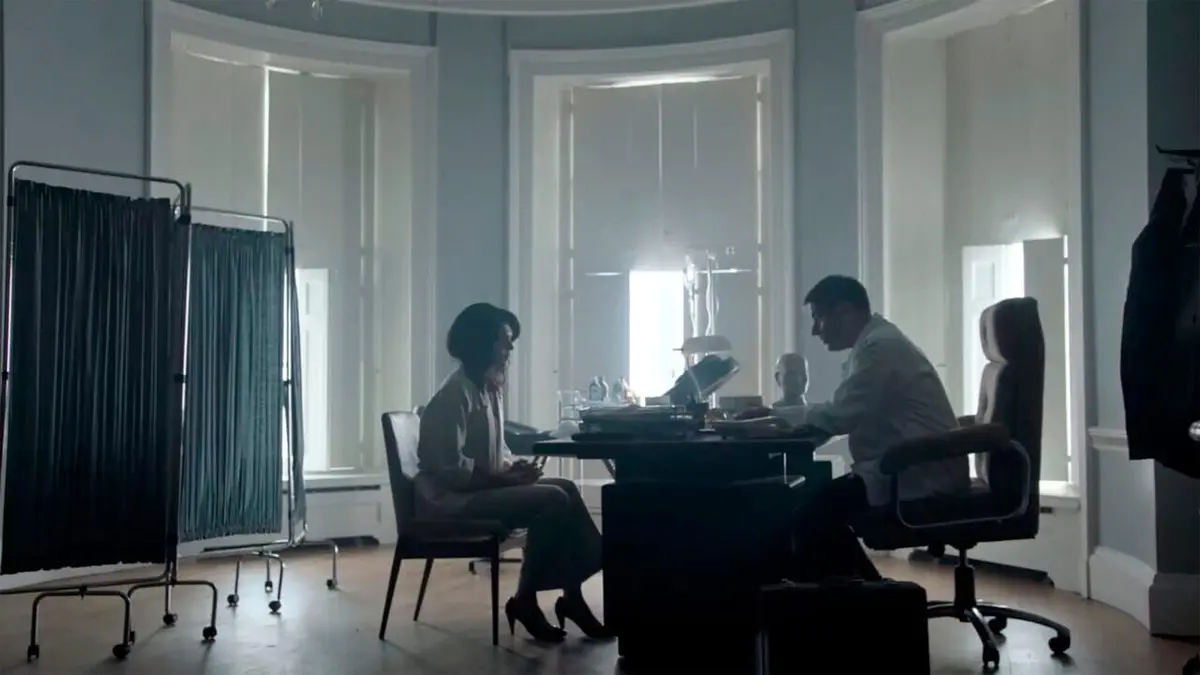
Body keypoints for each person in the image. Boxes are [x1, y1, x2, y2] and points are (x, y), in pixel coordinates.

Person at [741, 275, 968, 580]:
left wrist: (773, 415)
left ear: (845, 311)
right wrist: (782, 421)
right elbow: (844, 413)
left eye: (818, 318)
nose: (815, 330)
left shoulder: (880, 348)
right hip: (905, 466)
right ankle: (870, 594)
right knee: (815, 513)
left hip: (917, 472)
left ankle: (864, 599)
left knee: (810, 517)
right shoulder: (875, 344)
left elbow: (840, 415)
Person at [415, 303, 609, 643]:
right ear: (481, 343)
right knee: (552, 499)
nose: (510, 348)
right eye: (504, 340)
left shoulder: (487, 388)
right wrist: (504, 479)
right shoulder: (454, 395)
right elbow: (450, 470)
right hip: (455, 501)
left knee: (565, 487)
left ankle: (572, 596)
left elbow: (493, 451)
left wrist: (512, 467)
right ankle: (525, 599)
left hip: (480, 489)